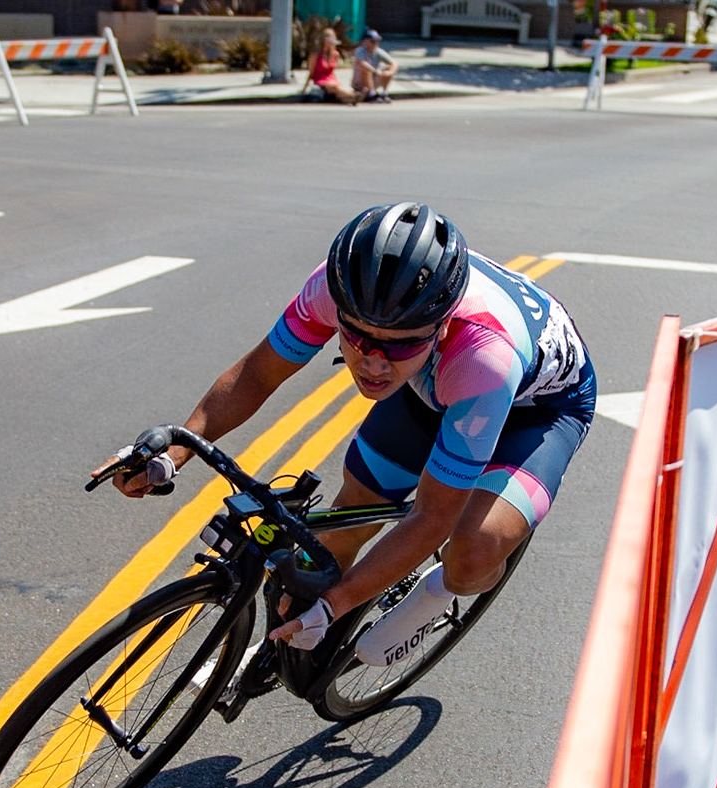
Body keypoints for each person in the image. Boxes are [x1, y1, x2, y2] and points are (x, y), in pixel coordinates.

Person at [95, 203, 596, 668]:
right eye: (356, 338)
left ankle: (441, 591)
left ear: (441, 327)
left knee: (471, 551)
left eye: (399, 346)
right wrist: (176, 449)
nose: (373, 363)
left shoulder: (483, 360)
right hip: (430, 382)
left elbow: (432, 516)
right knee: (348, 517)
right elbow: (258, 374)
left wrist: (334, 606)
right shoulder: (333, 291)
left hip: (539, 411)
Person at [304, 28, 360, 105]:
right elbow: (311, 72)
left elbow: (331, 72)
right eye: (329, 39)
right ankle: (352, 96)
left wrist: (336, 82)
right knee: (334, 87)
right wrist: (305, 87)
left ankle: (351, 98)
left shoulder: (335, 54)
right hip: (319, 80)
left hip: (331, 80)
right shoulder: (316, 54)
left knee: (337, 88)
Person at [352, 29, 397, 102]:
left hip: (374, 79)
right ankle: (372, 94)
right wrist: (375, 71)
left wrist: (390, 72)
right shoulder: (360, 51)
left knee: (388, 68)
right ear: (365, 41)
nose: (376, 43)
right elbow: (362, 63)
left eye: (377, 41)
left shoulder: (378, 51)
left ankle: (384, 93)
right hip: (360, 82)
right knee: (367, 69)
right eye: (373, 41)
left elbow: (394, 63)